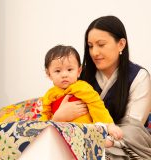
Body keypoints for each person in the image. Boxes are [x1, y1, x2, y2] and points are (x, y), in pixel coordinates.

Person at [52, 16, 151, 159]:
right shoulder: (79, 75)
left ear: (121, 44)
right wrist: (58, 117)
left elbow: (134, 128)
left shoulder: (139, 77)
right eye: (90, 46)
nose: (94, 52)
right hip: (84, 138)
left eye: (101, 44)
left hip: (124, 144)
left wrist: (103, 141)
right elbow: (58, 107)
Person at [42, 44, 123, 147]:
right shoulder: (49, 95)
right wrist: (54, 120)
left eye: (70, 69)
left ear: (79, 71)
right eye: (57, 71)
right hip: (61, 133)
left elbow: (97, 106)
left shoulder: (83, 87)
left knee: (97, 129)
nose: (64, 75)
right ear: (49, 74)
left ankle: (101, 140)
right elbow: (45, 116)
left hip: (84, 131)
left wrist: (110, 126)